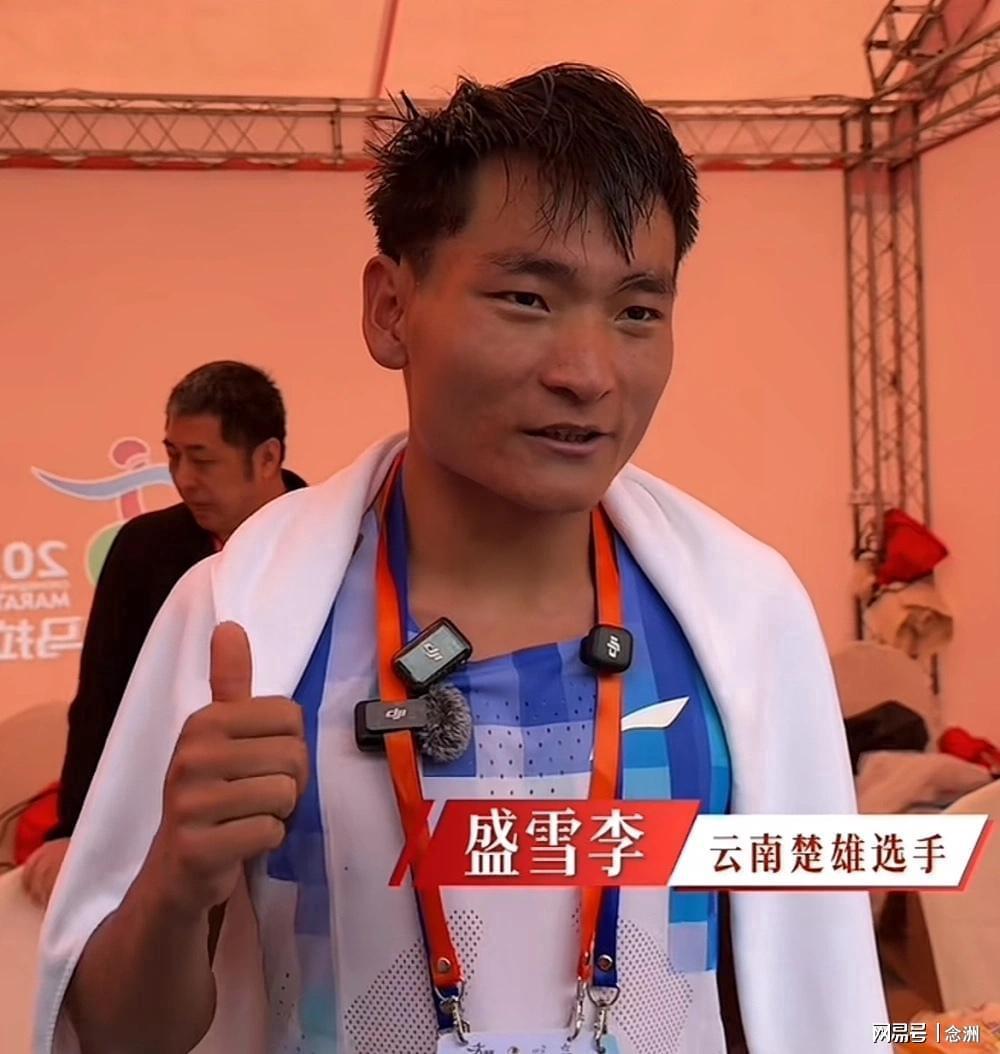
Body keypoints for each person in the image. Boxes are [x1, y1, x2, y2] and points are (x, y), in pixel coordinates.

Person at [35, 65, 888, 1054]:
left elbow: (801, 996)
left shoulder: (744, 616)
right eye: (527, 297)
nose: (588, 373)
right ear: (391, 309)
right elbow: (111, 1032)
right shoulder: (240, 618)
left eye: (636, 312)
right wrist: (175, 888)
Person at [20, 360, 306, 908]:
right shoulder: (142, 549)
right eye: (173, 456)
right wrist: (72, 830)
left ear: (268, 457)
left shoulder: (336, 539)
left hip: (298, 823)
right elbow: (102, 700)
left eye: (203, 460)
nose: (183, 478)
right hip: (168, 828)